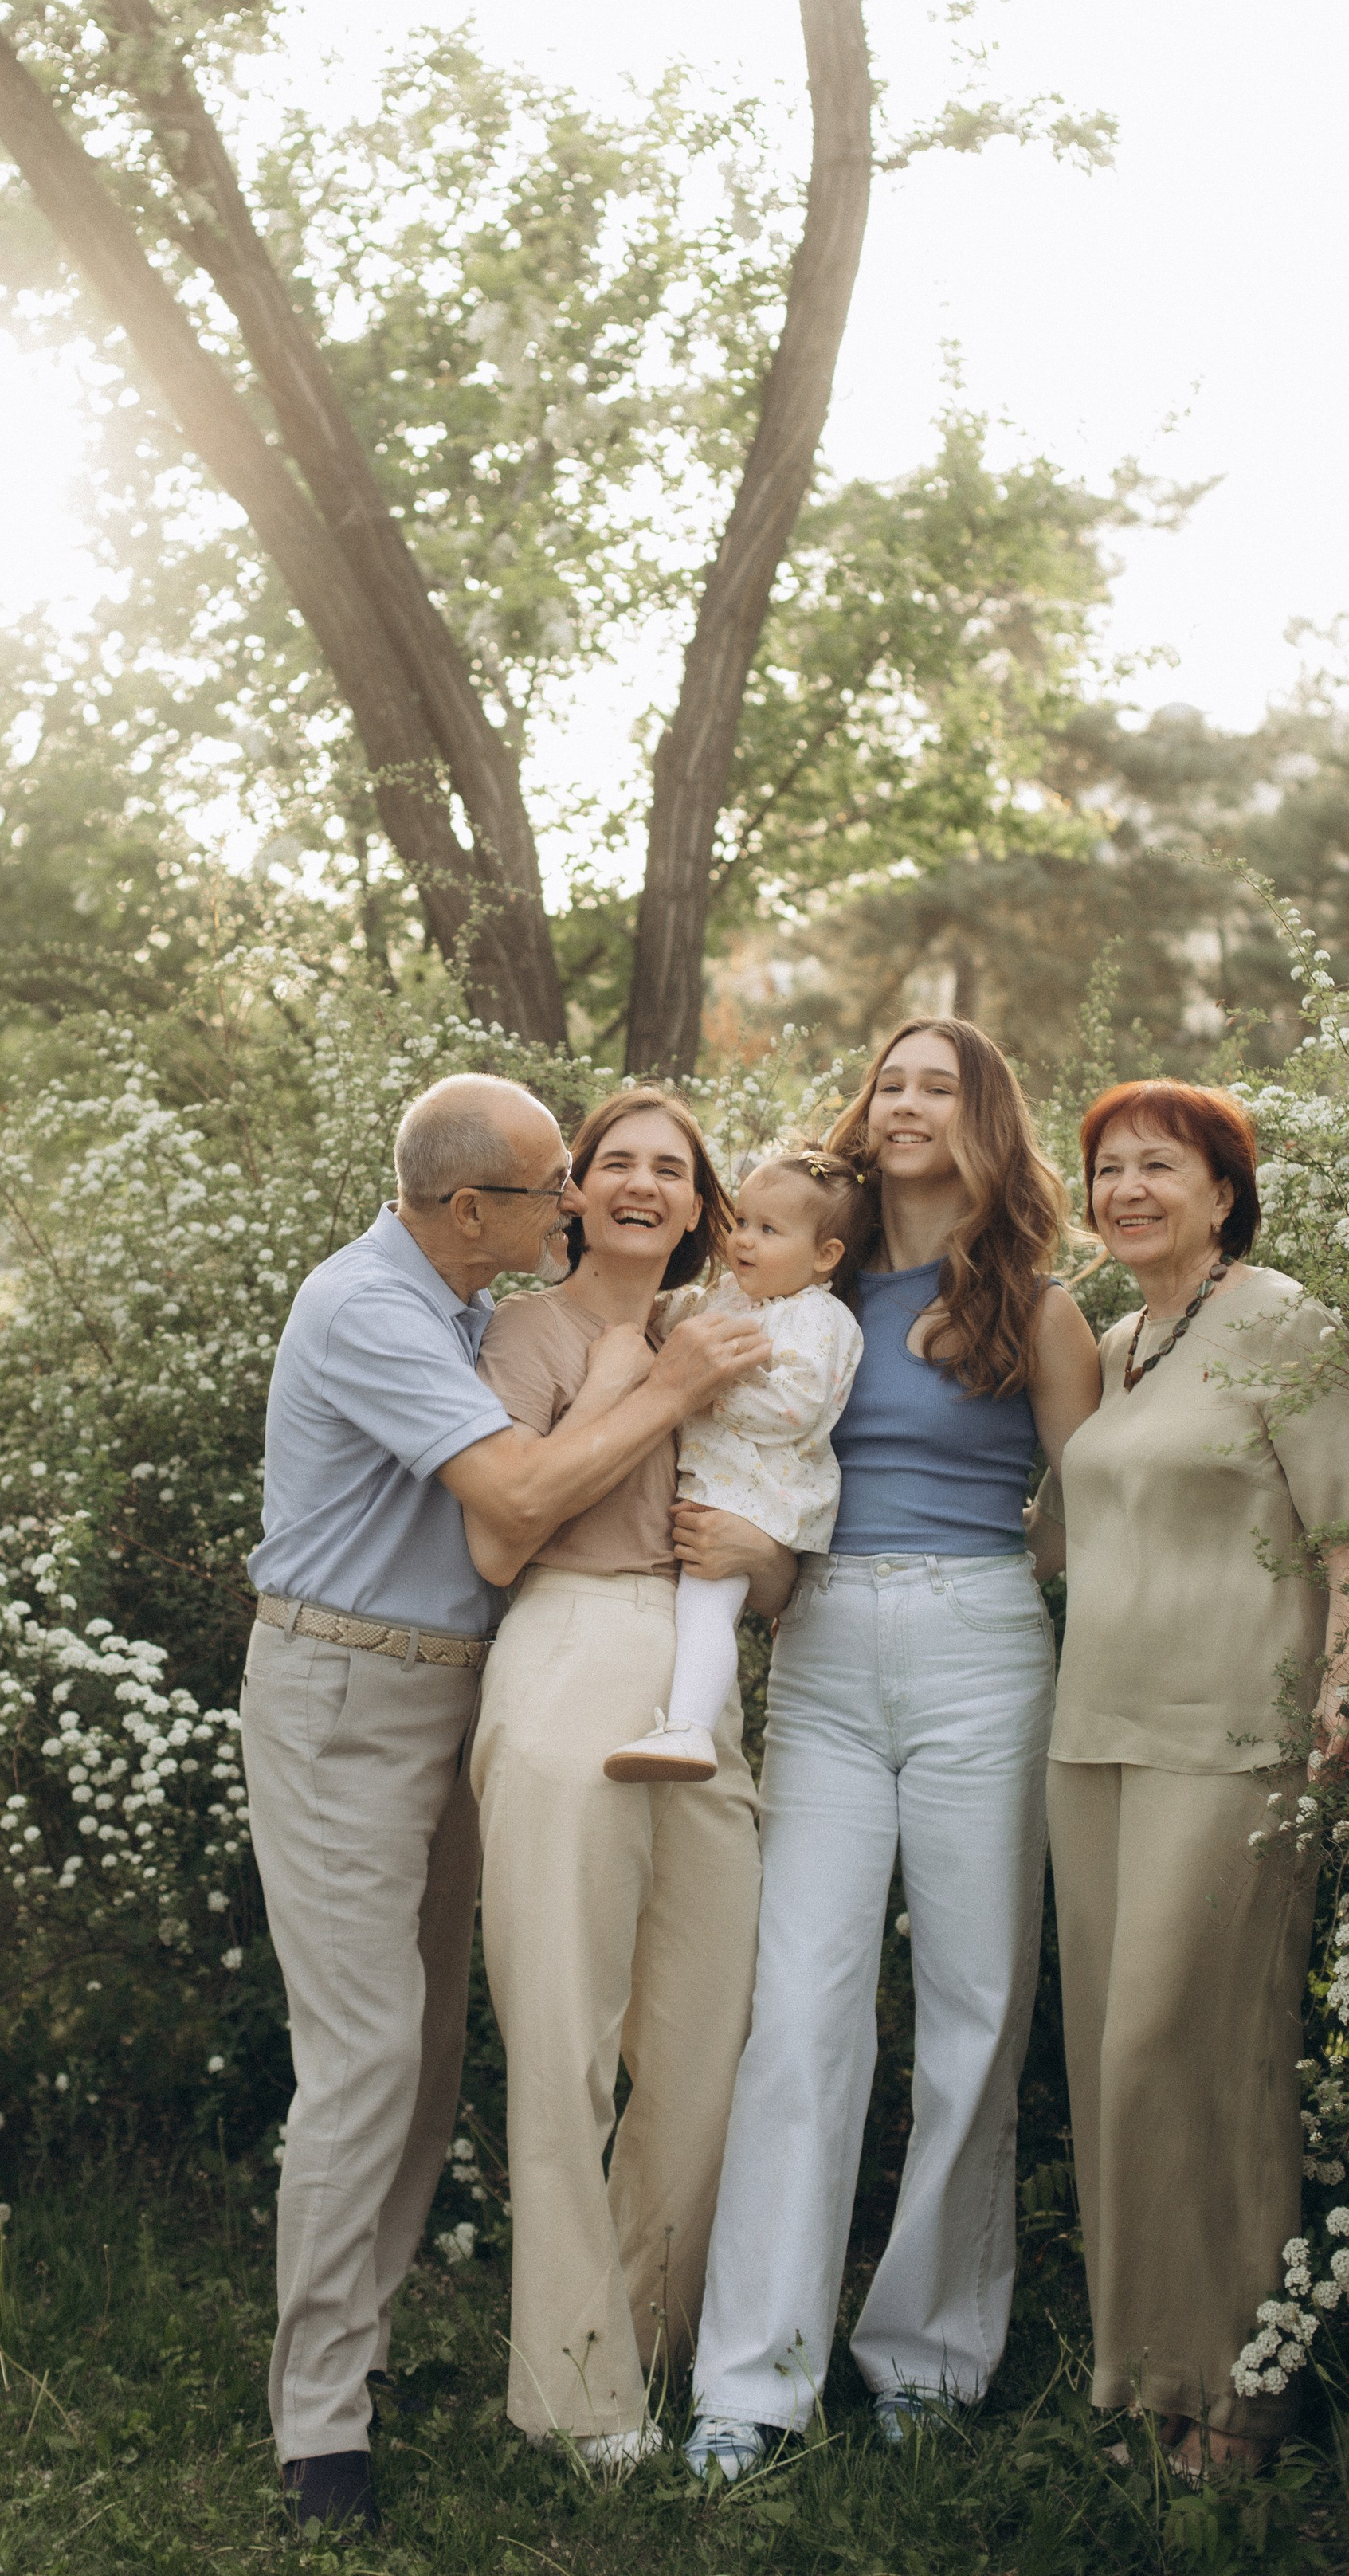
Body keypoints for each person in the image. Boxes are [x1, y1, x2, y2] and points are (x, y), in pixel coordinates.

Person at [240, 1072, 770, 2532]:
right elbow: (514, 1508)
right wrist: (662, 1382)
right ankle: (319, 2433)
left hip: (451, 1691)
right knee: (365, 2061)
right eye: (555, 1186)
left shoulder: (468, 1305)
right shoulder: (374, 1309)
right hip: (346, 1696)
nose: (576, 1204)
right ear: (471, 1207)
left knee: (416, 2069)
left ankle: (356, 2360)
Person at [683, 1019, 1103, 2482]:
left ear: (984, 1119)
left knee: (975, 2011)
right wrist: (756, 1558)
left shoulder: (1039, 1307)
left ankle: (928, 2354)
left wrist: (1011, 1575)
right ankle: (754, 2382)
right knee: (799, 2011)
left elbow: (1084, 1504)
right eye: (892, 1082)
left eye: (940, 1084)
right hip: (827, 1646)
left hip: (986, 1644)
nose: (908, 1103)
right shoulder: (806, 1271)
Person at [1041, 1080, 1349, 2479]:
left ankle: (1242, 2402)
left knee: (1193, 2059)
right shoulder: (1118, 1343)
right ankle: (1153, 2376)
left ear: (1223, 1190)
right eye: (1107, 1168)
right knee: (1110, 2074)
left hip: (1236, 1737)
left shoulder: (1284, 1322)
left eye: (1158, 1167)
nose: (1127, 1189)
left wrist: (1340, 1703)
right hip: (1094, 1738)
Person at [461, 1088, 781, 2469]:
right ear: (575, 1194)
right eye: (618, 1166)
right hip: (570, 1652)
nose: (646, 1185)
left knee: (705, 2047)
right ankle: (575, 2391)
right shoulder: (524, 1335)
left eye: (675, 1169)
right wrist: (649, 1388)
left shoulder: (730, 1340)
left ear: (706, 1206)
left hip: (703, 1678)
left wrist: (764, 1560)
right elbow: (497, 1539)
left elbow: (784, 1544)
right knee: (565, 2047)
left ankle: (648, 2341)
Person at [605, 1148, 869, 1782]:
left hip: (763, 1492)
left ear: (825, 1255)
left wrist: (706, 1389)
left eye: (768, 1231)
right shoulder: (733, 1295)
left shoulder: (818, 1318)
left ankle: (691, 1730)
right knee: (690, 1600)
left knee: (706, 1602)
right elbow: (675, 1316)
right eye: (742, 1221)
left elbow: (796, 1406)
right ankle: (679, 1720)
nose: (743, 1240)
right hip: (721, 1484)